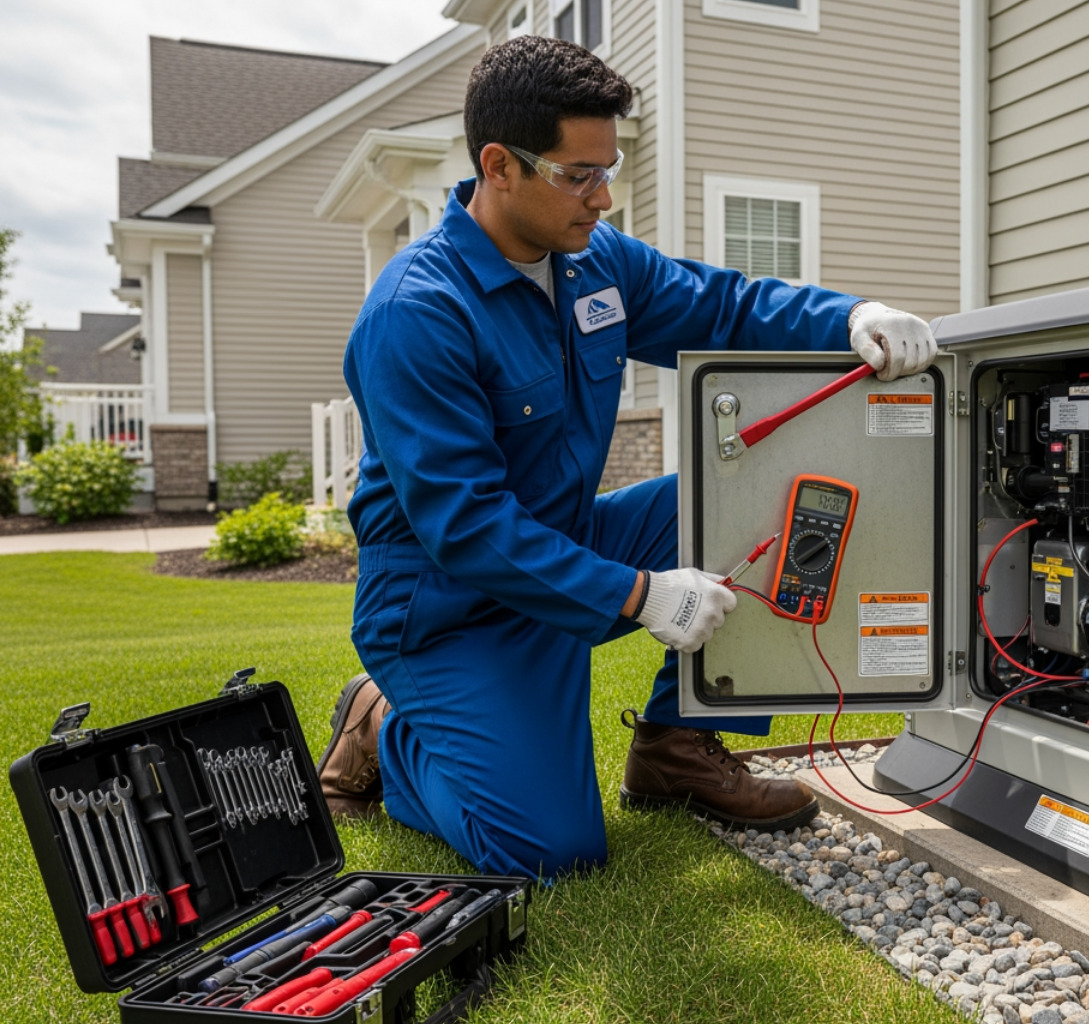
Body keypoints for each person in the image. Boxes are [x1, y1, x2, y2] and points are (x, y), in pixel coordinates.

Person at [319, 35, 936, 881]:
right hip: (449, 605)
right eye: (579, 175)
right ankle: (385, 730)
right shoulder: (416, 313)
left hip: (565, 544)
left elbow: (724, 306)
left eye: (607, 169)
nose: (603, 196)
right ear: (499, 166)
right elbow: (462, 524)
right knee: (551, 852)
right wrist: (642, 595)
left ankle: (678, 743)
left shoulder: (591, 263)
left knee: (777, 501)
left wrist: (850, 316)